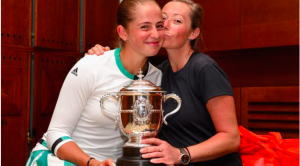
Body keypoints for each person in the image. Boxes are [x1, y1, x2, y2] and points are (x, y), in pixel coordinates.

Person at [86, 0, 242, 165]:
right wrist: (101, 57)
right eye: (162, 20)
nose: (165, 25)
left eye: (177, 21)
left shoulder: (204, 68)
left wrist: (181, 154)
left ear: (193, 33)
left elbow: (231, 138)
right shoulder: (157, 73)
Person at [25, 0, 164, 166]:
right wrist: (93, 163)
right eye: (145, 27)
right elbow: (56, 133)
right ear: (123, 32)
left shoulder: (157, 78)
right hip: (66, 161)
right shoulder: (91, 65)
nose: (155, 34)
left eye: (159, 26)